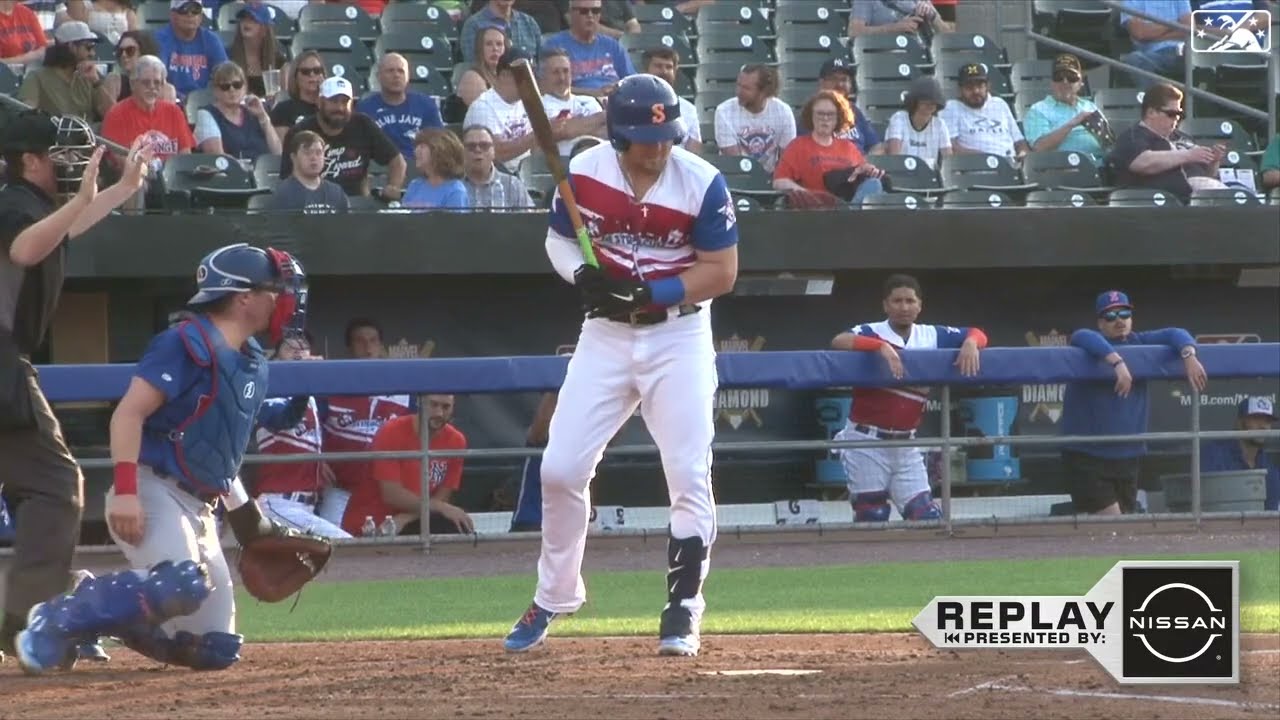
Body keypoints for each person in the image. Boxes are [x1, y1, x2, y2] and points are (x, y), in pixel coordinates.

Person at [503, 74, 739, 658]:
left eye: (663, 136)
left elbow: (722, 271)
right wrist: (582, 275)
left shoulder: (702, 181)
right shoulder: (583, 173)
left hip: (678, 335)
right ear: (616, 135)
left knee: (687, 473)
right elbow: (559, 241)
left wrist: (645, 292)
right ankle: (555, 594)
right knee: (559, 470)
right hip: (604, 337)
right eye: (643, 138)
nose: (656, 148)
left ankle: (684, 607)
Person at [12, 243, 314, 675]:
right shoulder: (184, 343)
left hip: (202, 505)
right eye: (275, 289)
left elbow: (229, 435)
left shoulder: (250, 359)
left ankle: (105, 610)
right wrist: (128, 491)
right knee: (180, 584)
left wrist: (248, 515)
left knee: (215, 648)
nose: (284, 299)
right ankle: (56, 619)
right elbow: (127, 414)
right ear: (243, 296)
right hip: (153, 486)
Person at [0, 111, 152, 667]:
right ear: (29, 161)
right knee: (56, 486)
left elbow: (64, 228)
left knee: (46, 486)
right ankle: (29, 621)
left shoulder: (32, 206)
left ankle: (30, 615)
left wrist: (119, 190)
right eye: (59, 158)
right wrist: (82, 197)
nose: (69, 167)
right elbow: (24, 248)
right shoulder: (15, 201)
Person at [829, 274, 987, 522]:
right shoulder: (872, 331)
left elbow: (977, 332)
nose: (904, 307)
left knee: (925, 517)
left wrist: (970, 343)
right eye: (897, 301)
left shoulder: (931, 335)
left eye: (910, 301)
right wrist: (879, 347)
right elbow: (839, 341)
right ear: (886, 305)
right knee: (873, 515)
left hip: (905, 443)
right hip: (865, 440)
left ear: (919, 305)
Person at [1061, 290, 1208, 516]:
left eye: (1124, 313)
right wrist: (1117, 363)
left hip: (1128, 455)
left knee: (1119, 529)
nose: (1119, 320)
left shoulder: (1141, 341)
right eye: (1110, 316)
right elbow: (1081, 335)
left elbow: (1176, 333)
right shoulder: (1088, 344)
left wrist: (1189, 355)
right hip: (1087, 454)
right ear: (1100, 322)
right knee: (1113, 524)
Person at [250, 332, 351, 538]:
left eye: (303, 347)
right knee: (346, 546)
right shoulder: (268, 391)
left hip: (309, 505)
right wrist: (305, 382)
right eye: (289, 347)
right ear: (276, 359)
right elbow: (285, 420)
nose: (298, 351)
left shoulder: (312, 400)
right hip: (279, 504)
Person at [1200, 397, 1278, 512]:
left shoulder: (1269, 467)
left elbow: (1272, 512)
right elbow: (1206, 503)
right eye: (1256, 419)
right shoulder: (1214, 454)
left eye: (1267, 421)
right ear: (1239, 423)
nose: (1263, 426)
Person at [194, 60, 282, 161]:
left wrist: (263, 117)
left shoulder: (254, 112)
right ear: (216, 91)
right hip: (233, 174)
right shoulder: (207, 115)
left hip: (263, 171)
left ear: (245, 88)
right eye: (225, 87)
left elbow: (277, 153)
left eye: (237, 85)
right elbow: (218, 158)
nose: (232, 90)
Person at [403, 128, 469, 210]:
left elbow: (456, 222)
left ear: (440, 151)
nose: (416, 151)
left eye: (422, 146)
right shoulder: (415, 185)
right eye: (417, 147)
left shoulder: (455, 191)